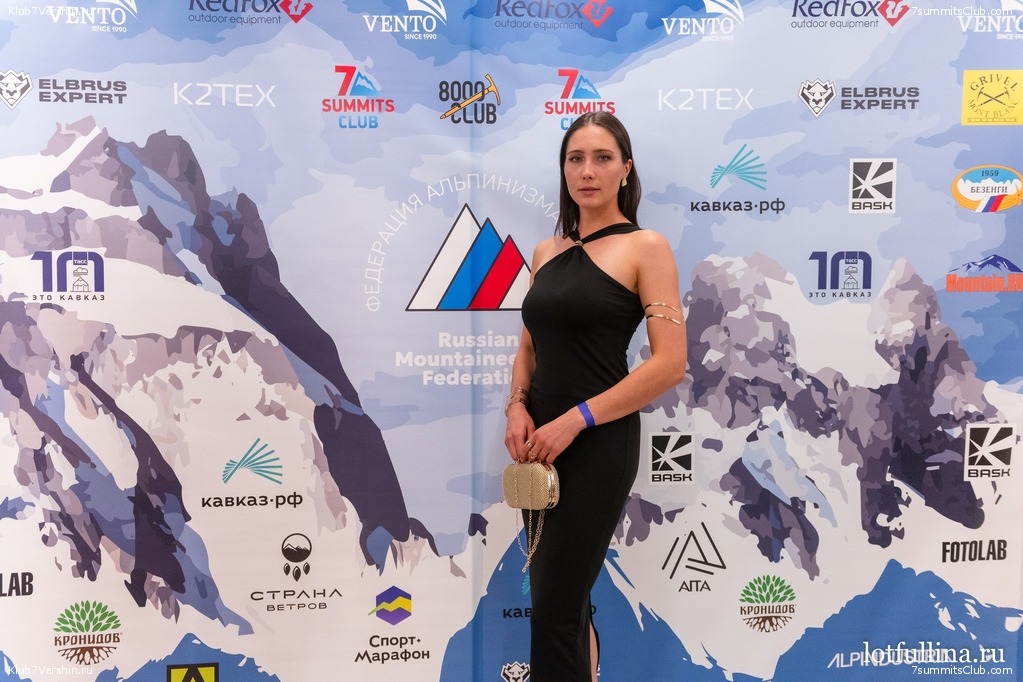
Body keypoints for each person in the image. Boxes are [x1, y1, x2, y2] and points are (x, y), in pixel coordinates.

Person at [503, 111, 688, 681]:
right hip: (538, 447)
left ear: (625, 169)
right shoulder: (546, 252)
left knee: (555, 606)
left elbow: (670, 364)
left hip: (597, 442)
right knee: (564, 599)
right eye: (575, 159)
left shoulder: (646, 247)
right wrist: (516, 404)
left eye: (602, 158)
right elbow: (529, 346)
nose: (587, 171)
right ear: (564, 170)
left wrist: (575, 420)